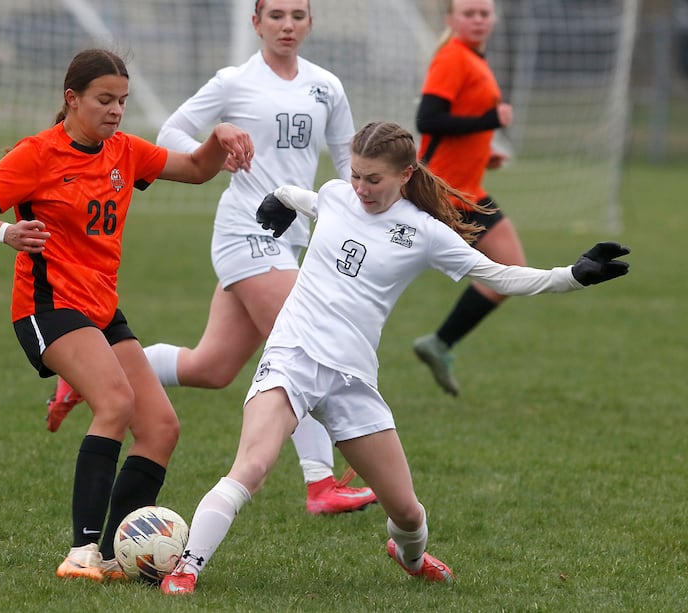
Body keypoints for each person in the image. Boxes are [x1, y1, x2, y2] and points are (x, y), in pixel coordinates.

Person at [158, 121, 630, 595]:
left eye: (373, 180)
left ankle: (411, 556)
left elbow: (501, 276)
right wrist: (280, 198)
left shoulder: (427, 233)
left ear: (405, 174)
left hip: (352, 380)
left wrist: (572, 275)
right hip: (293, 356)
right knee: (253, 466)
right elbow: (310, 197)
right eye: (356, 175)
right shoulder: (338, 193)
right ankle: (187, 568)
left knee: (406, 513)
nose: (360, 188)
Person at [46, 0, 378, 516]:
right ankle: (320, 483)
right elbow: (171, 135)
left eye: (297, 15)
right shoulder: (233, 81)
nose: (287, 25)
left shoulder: (326, 86)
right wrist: (216, 149)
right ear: (256, 23)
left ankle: (89, 371)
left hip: (290, 238)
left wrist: (362, 212)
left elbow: (344, 161)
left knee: (212, 366)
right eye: (276, 16)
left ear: (310, 23)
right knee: (305, 342)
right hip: (245, 229)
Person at [0, 48, 254, 582]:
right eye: (104, 100)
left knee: (160, 427)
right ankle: (81, 552)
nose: (116, 111)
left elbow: (200, 170)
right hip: (48, 308)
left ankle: (114, 556)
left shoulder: (124, 151)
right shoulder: (36, 154)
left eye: (123, 101)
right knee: (114, 403)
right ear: (72, 99)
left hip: (101, 309)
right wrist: (7, 233)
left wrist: (219, 135)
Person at [412, 0, 525, 396]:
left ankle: (439, 343)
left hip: (468, 191)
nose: (478, 19)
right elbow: (428, 120)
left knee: (512, 270)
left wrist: (483, 151)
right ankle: (438, 343)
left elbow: (454, 126)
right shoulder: (452, 58)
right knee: (389, 270)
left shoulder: (475, 59)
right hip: (442, 194)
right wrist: (490, 123)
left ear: (494, 18)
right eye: (469, 12)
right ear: (451, 20)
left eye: (484, 12)